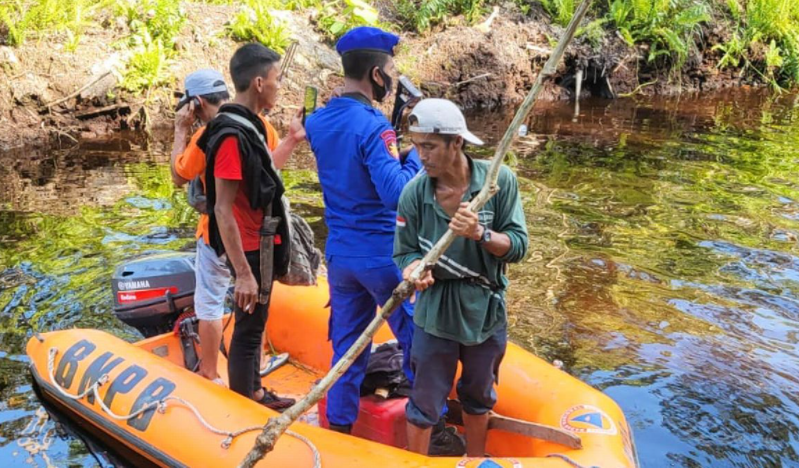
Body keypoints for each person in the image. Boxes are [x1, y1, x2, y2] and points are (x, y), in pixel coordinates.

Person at [304, 27, 425, 435]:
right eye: (390, 68)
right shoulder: (376, 127)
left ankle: (339, 428)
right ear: (377, 74)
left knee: (348, 346)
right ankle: (427, 423)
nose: (393, 77)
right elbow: (395, 194)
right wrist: (420, 153)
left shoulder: (317, 121)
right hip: (381, 256)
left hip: (340, 255)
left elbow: (352, 170)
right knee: (415, 338)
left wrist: (398, 155)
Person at [394, 98, 529, 456]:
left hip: (483, 311)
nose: (421, 155)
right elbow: (404, 251)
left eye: (430, 146)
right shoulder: (414, 194)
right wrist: (413, 270)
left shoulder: (497, 185)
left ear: (456, 142)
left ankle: (476, 458)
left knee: (479, 394)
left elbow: (518, 246)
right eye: (417, 145)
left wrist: (480, 234)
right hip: (434, 312)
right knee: (423, 400)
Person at [171, 69, 304, 389]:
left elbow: (179, 175)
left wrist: (179, 131)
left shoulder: (206, 136)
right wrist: (291, 139)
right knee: (253, 306)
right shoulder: (261, 126)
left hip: (217, 234)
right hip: (257, 236)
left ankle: (210, 373)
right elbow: (270, 169)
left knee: (210, 302)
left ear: (196, 103)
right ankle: (256, 366)